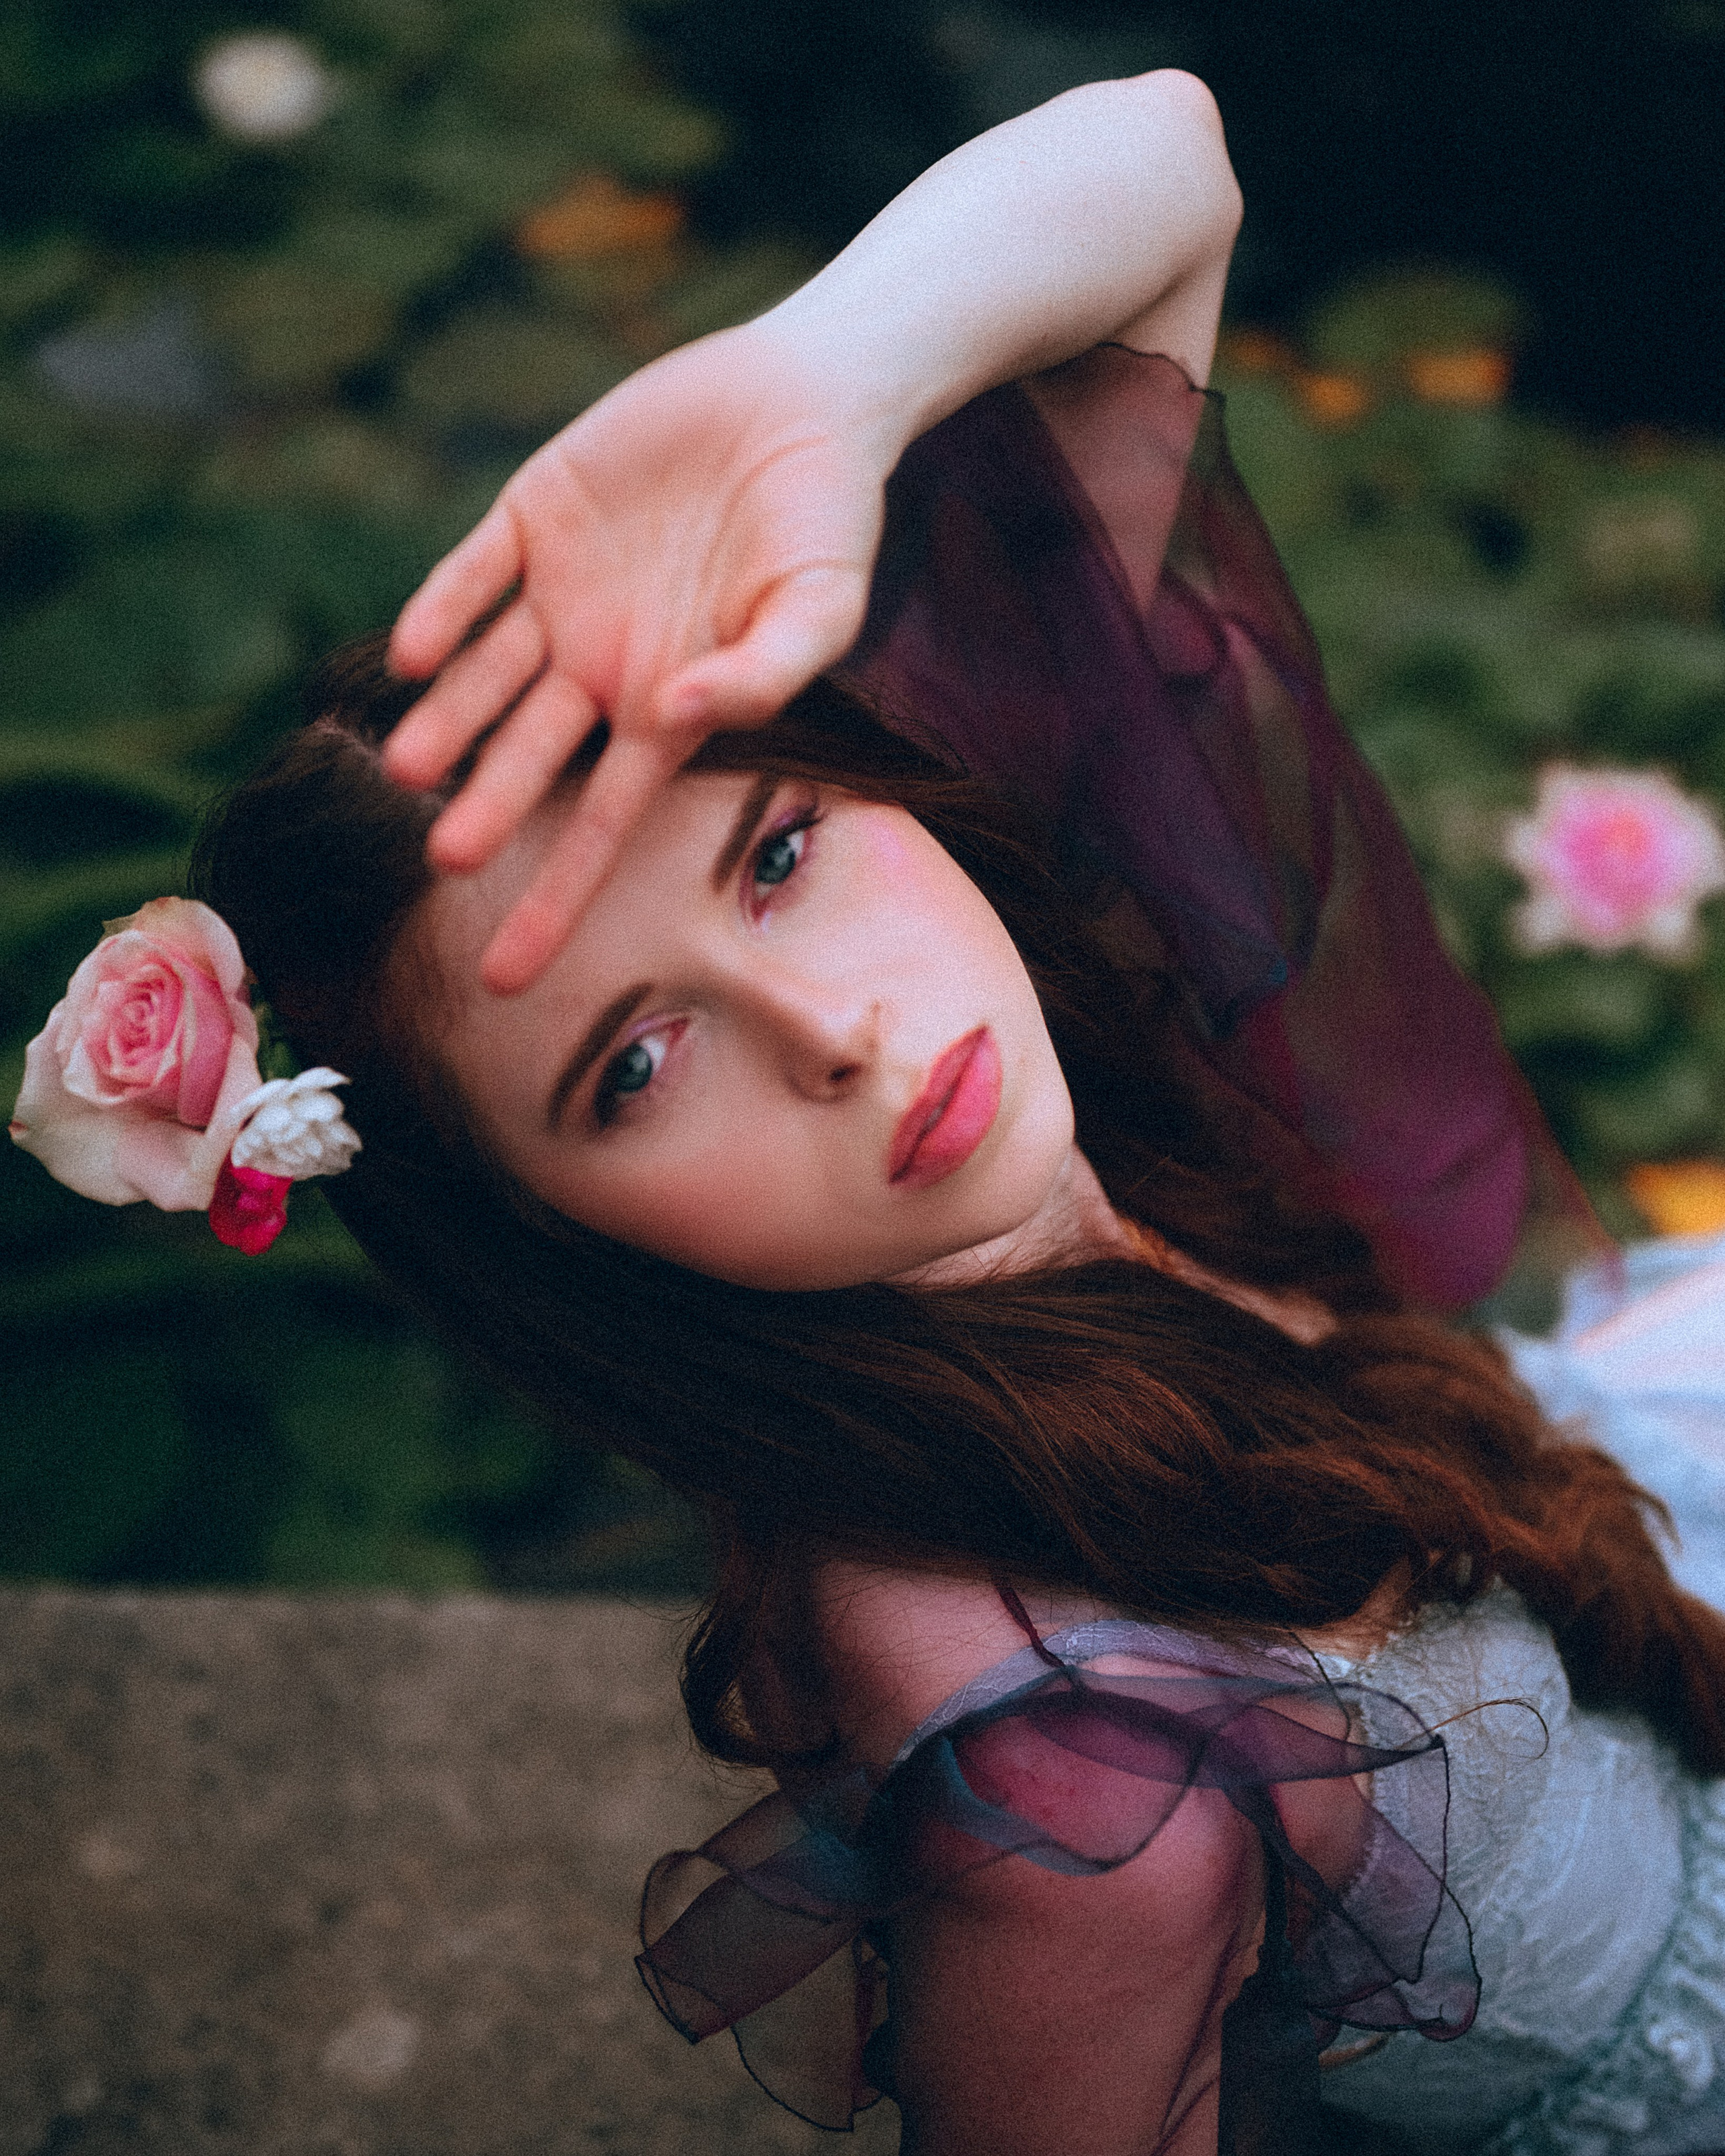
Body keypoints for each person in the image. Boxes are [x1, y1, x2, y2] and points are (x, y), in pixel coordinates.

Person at [15, 71, 1725, 2156]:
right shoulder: (1073, 1765)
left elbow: (1167, 160)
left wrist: (825, 370)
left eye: (781, 855)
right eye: (632, 1070)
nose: (832, 1029)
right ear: (555, 1238)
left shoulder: (1073, 974)